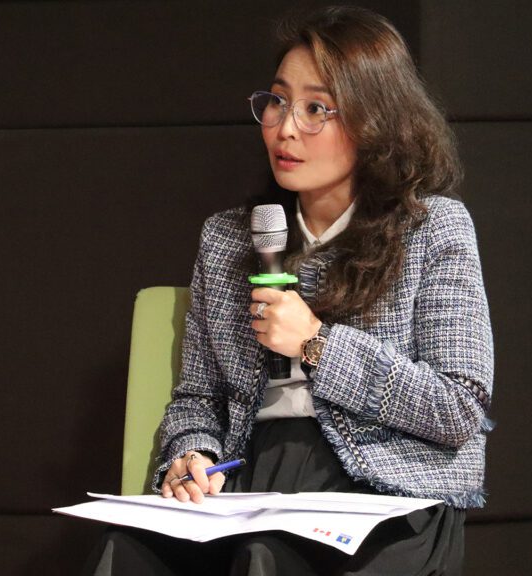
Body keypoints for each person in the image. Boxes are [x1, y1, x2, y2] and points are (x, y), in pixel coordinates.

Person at [87, 6, 492, 575]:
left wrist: (319, 344)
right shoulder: (231, 237)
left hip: (389, 492)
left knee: (264, 560)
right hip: (252, 481)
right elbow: (199, 399)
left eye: (315, 109)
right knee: (120, 552)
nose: (285, 128)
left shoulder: (433, 230)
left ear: (375, 121)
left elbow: (458, 408)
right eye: (277, 101)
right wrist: (190, 455)